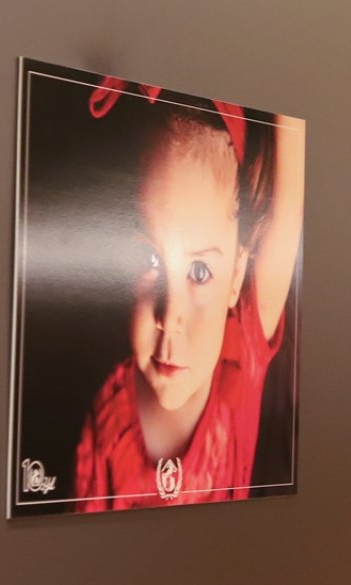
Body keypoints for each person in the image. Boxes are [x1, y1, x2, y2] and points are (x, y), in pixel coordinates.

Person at [73, 79, 304, 511]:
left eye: (199, 271)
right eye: (151, 261)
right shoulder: (106, 418)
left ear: (236, 274)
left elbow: (288, 206)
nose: (170, 314)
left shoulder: (248, 341)